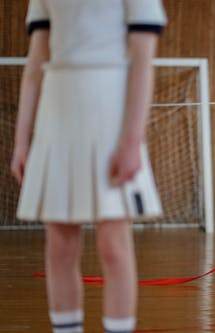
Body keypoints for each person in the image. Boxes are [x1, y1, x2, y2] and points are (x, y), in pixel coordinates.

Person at [10, 1, 166, 332]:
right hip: (57, 111)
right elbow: (35, 63)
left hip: (109, 111)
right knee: (59, 245)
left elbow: (142, 60)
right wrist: (22, 141)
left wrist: (132, 140)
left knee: (113, 244)